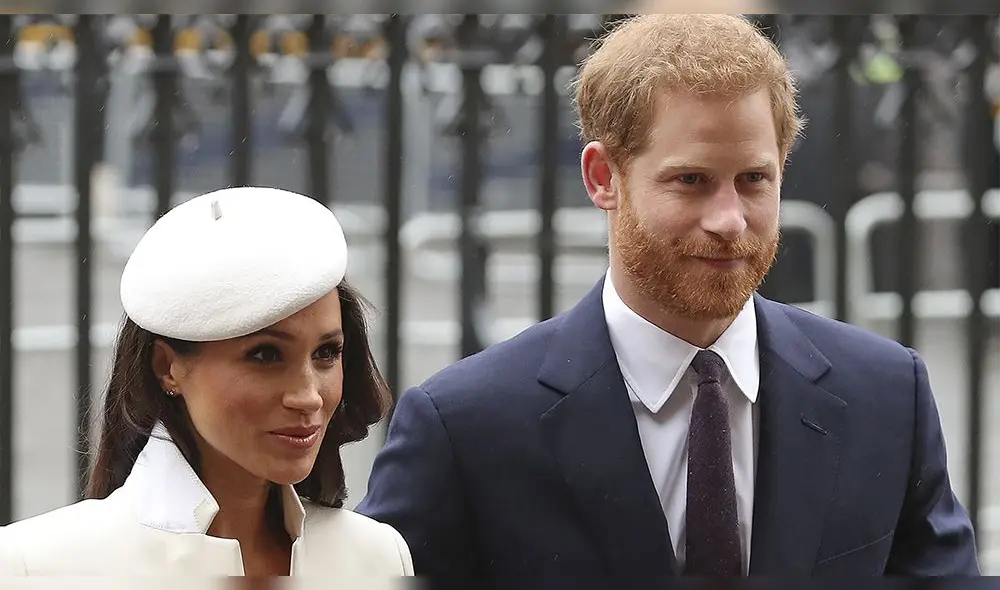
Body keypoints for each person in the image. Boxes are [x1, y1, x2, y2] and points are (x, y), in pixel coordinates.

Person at [356, 13, 980, 583]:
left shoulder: (888, 395)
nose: (730, 219)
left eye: (754, 180)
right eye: (692, 181)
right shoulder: (466, 427)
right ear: (604, 178)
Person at [0, 186, 413, 578]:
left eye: (326, 353)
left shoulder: (375, 559)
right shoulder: (34, 567)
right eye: (265, 355)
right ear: (168, 367)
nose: (307, 397)